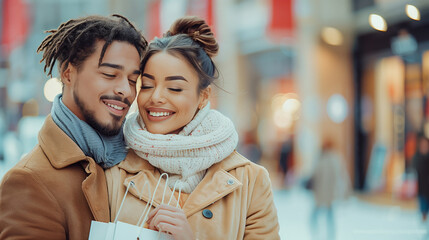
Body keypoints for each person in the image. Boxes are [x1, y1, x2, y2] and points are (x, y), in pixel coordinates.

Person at [106, 16, 280, 240]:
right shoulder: (114, 169)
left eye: (175, 88)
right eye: (147, 85)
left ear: (203, 96)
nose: (156, 97)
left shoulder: (250, 180)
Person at [0, 14, 147, 239]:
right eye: (109, 74)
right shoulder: (28, 180)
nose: (125, 91)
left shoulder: (141, 163)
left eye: (132, 80)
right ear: (68, 73)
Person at [309, 139, 349, 240]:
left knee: (316, 214)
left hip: (321, 192)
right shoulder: (336, 158)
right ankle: (330, 235)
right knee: (329, 215)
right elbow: (342, 176)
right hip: (330, 192)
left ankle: (315, 233)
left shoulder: (320, 158)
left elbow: (314, 174)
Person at [412, 133, 429, 227]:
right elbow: (415, 168)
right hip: (422, 188)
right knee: (423, 208)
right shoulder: (417, 157)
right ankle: (424, 223)